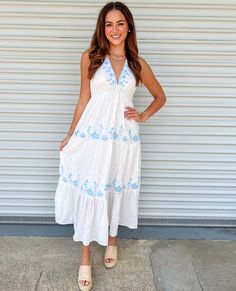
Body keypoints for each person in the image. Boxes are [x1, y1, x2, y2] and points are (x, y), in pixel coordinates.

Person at [54, 1, 166, 290]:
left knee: (116, 185)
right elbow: (83, 100)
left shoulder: (137, 64)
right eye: (108, 24)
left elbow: (160, 97)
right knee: (93, 191)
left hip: (124, 140)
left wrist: (141, 116)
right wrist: (71, 135)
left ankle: (113, 241)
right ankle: (85, 259)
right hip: (93, 138)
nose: (114, 30)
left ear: (128, 27)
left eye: (119, 23)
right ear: (102, 29)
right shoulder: (90, 57)